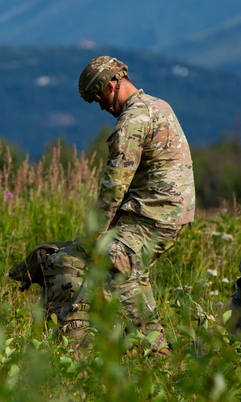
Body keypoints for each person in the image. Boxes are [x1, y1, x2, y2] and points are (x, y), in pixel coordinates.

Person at [66, 55, 196, 353]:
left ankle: (157, 354)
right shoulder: (159, 105)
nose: (100, 105)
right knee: (131, 273)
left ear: (112, 85)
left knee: (117, 268)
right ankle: (136, 347)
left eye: (98, 96)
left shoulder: (131, 122)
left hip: (154, 215)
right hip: (171, 212)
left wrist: (94, 233)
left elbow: (114, 186)